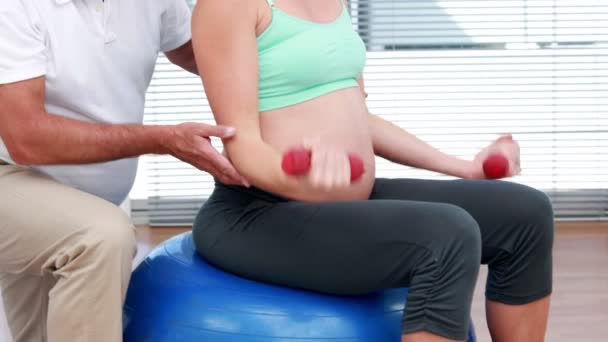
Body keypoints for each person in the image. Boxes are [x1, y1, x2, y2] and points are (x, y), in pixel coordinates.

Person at [189, 0, 554, 341]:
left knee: (525, 214)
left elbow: (357, 117)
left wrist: (465, 167)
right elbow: (242, 147)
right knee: (447, 236)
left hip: (344, 200)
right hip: (257, 213)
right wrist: (298, 177)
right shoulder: (228, 5)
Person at [0, 0, 248, 341]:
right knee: (99, 237)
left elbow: (201, 51)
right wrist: (164, 139)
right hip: (10, 176)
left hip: (72, 196)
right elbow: (27, 139)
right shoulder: (14, 8)